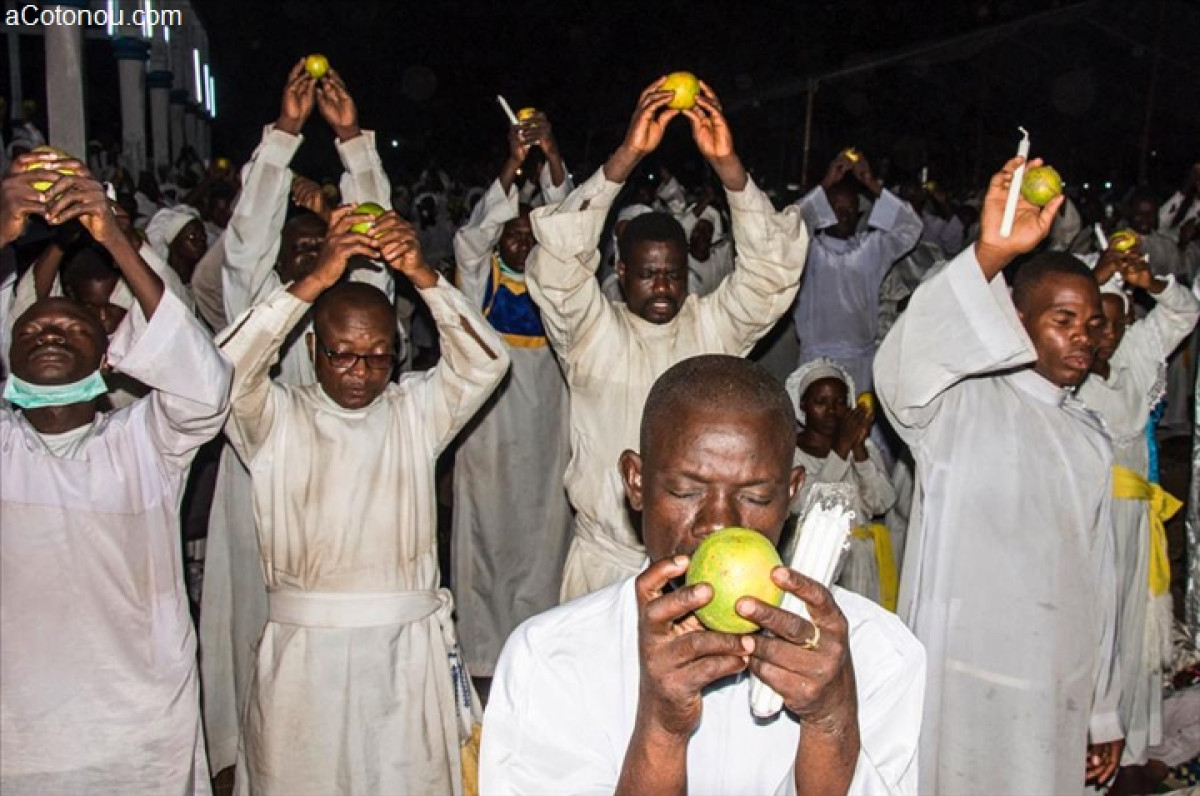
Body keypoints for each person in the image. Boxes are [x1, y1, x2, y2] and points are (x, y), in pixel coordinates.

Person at [481, 354, 925, 794]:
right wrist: (662, 727)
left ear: (791, 494)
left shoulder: (875, 651)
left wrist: (830, 724)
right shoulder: (552, 659)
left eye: (754, 496)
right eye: (686, 490)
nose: (719, 523)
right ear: (636, 482)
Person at [218, 205, 509, 796]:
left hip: (404, 654)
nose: (360, 371)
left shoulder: (412, 412)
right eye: (341, 353)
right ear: (312, 348)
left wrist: (422, 275)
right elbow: (218, 371)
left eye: (378, 355)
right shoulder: (276, 417)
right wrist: (315, 280)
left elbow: (487, 362)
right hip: (305, 661)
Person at [875, 156, 1124, 794]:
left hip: (1053, 679)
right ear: (1016, 320)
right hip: (962, 674)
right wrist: (989, 252)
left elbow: (1102, 581)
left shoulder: (1091, 441)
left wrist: (1102, 710)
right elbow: (903, 363)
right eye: (1061, 320)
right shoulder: (955, 407)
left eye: (1092, 325)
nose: (1082, 339)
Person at [526, 77, 810, 601]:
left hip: (709, 567)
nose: (662, 286)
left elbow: (773, 271)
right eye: (647, 273)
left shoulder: (712, 327)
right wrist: (630, 153)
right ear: (619, 271)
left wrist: (727, 165)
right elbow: (556, 263)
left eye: (673, 274)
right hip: (605, 566)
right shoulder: (590, 330)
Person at [1, 155, 232, 794]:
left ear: (109, 362)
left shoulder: (142, 445)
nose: (49, 329)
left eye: (70, 326)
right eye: (34, 327)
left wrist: (115, 237)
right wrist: (2, 228)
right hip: (17, 738)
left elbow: (204, 388)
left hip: (137, 735)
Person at [197, 60, 398, 775]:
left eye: (327, 249)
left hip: (337, 507)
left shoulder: (356, 319)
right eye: (301, 250)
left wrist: (352, 141)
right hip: (254, 494)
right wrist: (285, 133)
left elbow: (379, 236)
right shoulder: (260, 307)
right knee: (250, 635)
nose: (316, 256)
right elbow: (249, 234)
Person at [451, 111, 573, 677]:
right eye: (514, 233)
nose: (522, 241)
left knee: (542, 542)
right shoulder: (480, 280)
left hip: (547, 436)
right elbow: (470, 238)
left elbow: (574, 231)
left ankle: (535, 651)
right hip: (490, 438)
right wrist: (514, 162)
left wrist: (551, 157)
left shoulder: (557, 285)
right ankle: (482, 655)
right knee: (486, 544)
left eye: (531, 233)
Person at [1077, 246, 1200, 767]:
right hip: (1090, 520)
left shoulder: (1137, 355)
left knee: (1135, 624)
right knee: (1093, 621)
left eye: (1117, 323)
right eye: (1097, 323)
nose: (1107, 335)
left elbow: (1184, 312)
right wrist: (1094, 275)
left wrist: (1149, 281)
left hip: (1137, 524)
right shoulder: (1063, 369)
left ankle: (1128, 737)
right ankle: (1084, 728)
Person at [792, 150, 922, 395]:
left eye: (850, 209)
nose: (844, 214)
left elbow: (911, 228)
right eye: (837, 208)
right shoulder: (807, 250)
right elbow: (788, 227)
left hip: (861, 361)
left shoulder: (870, 249)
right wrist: (827, 182)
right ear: (824, 212)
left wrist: (870, 182)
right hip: (816, 362)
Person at [785, 358, 898, 609]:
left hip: (864, 564)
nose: (832, 411)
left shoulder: (861, 446)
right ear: (803, 404)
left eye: (839, 402)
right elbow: (804, 505)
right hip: (816, 562)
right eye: (820, 403)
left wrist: (858, 450)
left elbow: (883, 502)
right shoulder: (791, 452)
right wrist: (841, 448)